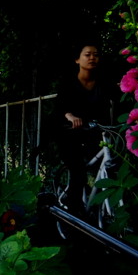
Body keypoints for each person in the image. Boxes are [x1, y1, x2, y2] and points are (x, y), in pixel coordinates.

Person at [52, 43, 116, 215]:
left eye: (95, 55)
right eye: (87, 55)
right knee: (78, 172)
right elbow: (59, 108)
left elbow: (118, 101)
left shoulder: (104, 83)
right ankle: (74, 219)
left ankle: (102, 210)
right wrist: (71, 117)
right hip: (69, 133)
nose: (92, 58)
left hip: (94, 132)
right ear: (77, 59)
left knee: (111, 166)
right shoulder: (68, 83)